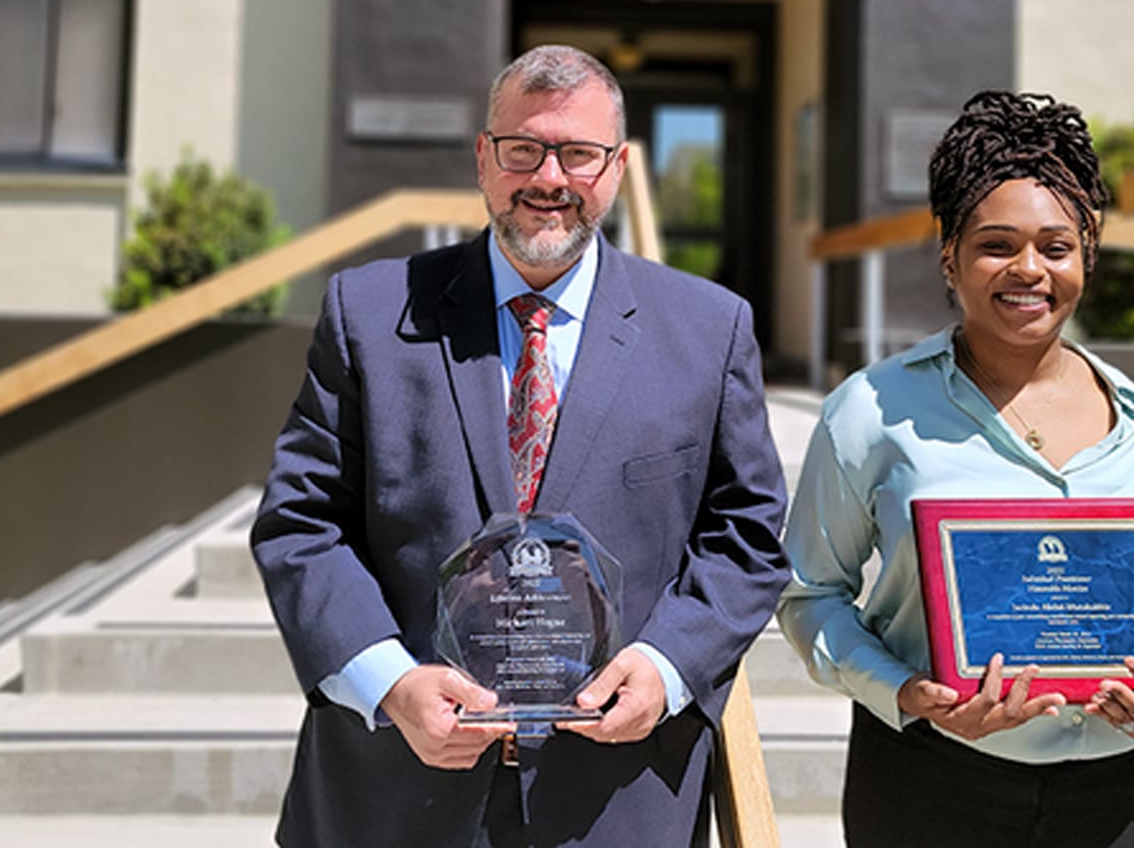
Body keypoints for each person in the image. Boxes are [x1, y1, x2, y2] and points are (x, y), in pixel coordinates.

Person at [252, 45, 790, 847]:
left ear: (617, 168)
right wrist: (390, 683)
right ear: (483, 158)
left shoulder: (709, 330)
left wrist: (669, 667)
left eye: (578, 154)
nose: (549, 177)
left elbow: (746, 536)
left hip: (614, 802)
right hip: (397, 797)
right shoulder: (368, 314)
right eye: (523, 149)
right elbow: (301, 524)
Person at [776, 91, 1134, 847]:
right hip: (930, 786)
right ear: (949, 257)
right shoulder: (869, 412)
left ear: (1087, 256)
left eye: (1056, 247)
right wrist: (905, 692)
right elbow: (808, 593)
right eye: (996, 245)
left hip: (1113, 796)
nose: (1029, 270)